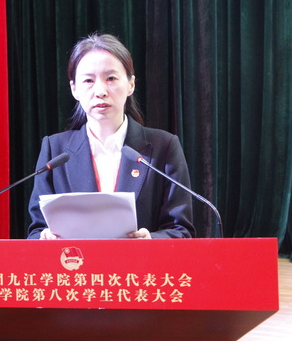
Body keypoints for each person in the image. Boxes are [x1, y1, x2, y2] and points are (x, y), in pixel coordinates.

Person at [27, 33, 195, 239]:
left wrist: (151, 241)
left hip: (140, 261)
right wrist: (45, 238)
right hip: (75, 260)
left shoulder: (164, 147)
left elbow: (181, 231)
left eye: (111, 79)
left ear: (131, 84)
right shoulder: (55, 150)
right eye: (88, 80)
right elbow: (36, 231)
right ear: (74, 89)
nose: (100, 91)